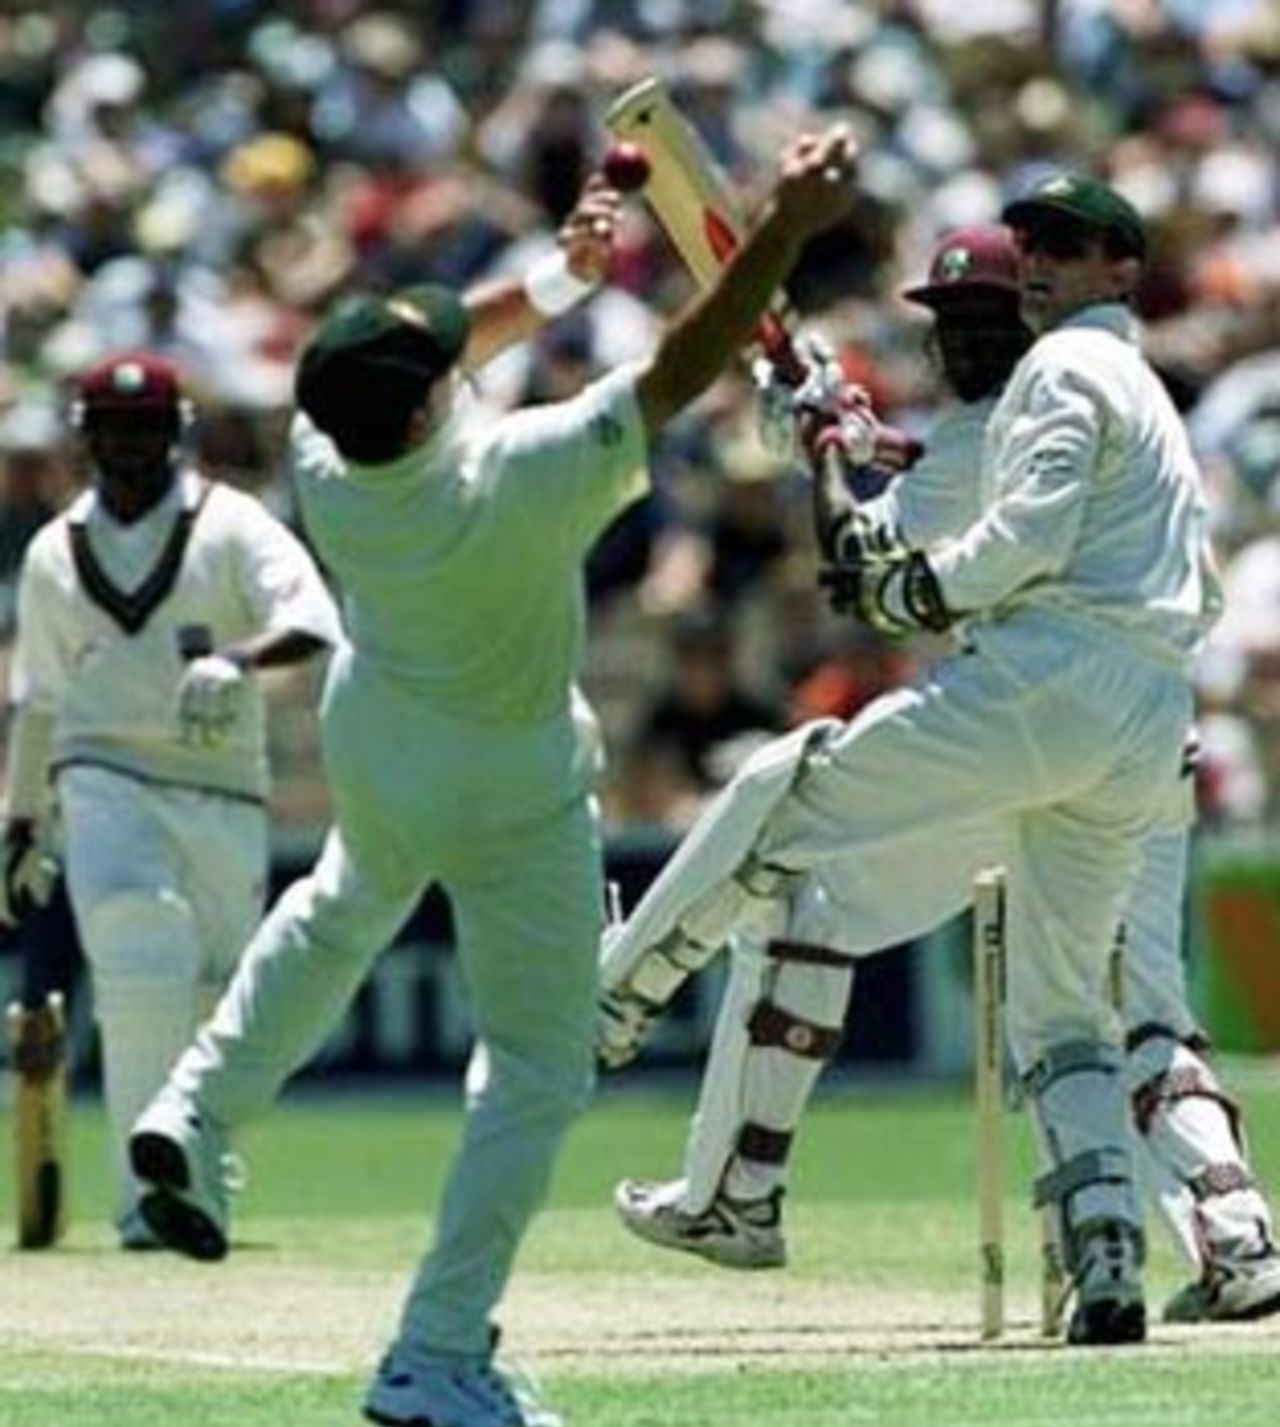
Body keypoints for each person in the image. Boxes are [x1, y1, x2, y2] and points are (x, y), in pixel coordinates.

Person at [126, 129, 861, 1427]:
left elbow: (433, 345)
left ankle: (192, 1110)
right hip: (510, 780)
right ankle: (437, 1348)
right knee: (536, 1065)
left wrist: (561, 278)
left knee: (345, 902)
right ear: (427, 403)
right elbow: (686, 363)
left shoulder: (323, 452)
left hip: (382, 736)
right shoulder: (516, 473)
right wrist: (783, 232)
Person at [602, 225, 1280, 1326]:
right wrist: (840, 440)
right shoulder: (1094, 395)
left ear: (1028, 315)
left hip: (1019, 722)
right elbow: (929, 485)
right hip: (1141, 737)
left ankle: (627, 1003)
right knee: (1083, 1004)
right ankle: (1209, 1235)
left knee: (794, 812)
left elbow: (866, 566)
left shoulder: (1037, 397)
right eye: (944, 322)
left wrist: (822, 447)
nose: (961, 340)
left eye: (981, 320)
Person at [0, 351, 342, 1248]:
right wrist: (21, 819)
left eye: (145, 427)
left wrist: (238, 658)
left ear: (176, 431)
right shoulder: (53, 553)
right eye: (111, 429)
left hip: (223, 784)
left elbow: (313, 621)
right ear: (85, 438)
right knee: (140, 939)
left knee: (216, 983)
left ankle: (194, 1164)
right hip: (99, 772)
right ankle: (142, 1200)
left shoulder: (231, 525)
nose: (128, 446)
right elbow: (37, 700)